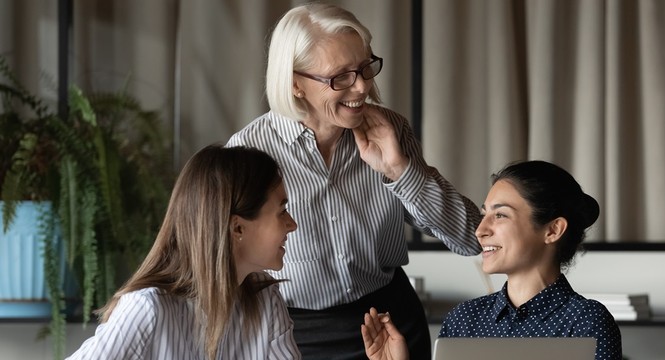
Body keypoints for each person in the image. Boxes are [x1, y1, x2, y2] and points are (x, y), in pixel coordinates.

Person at [226, 3, 482, 359]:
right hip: (294, 335)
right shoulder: (246, 152)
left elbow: (472, 238)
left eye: (365, 68)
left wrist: (399, 171)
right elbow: (220, 264)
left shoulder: (391, 131)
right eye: (341, 77)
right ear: (295, 84)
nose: (362, 87)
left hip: (392, 327)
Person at [362, 160, 624, 360]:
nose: (480, 230)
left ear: (552, 230)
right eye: (485, 214)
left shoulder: (587, 321)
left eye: (500, 216)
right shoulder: (464, 319)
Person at [66, 145, 301, 359]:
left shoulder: (265, 299)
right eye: (282, 211)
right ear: (237, 227)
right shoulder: (147, 309)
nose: (293, 224)